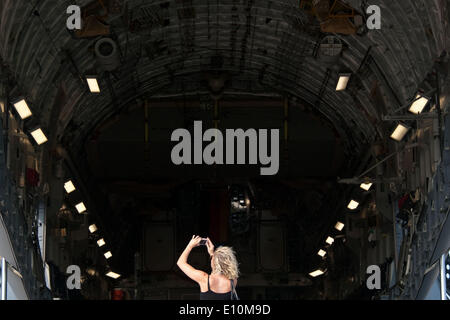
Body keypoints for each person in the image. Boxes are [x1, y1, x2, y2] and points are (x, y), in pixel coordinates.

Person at [177, 235, 239, 300]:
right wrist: (212, 254)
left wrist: (190, 245)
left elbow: (180, 262)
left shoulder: (204, 279)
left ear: (214, 262)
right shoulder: (233, 281)